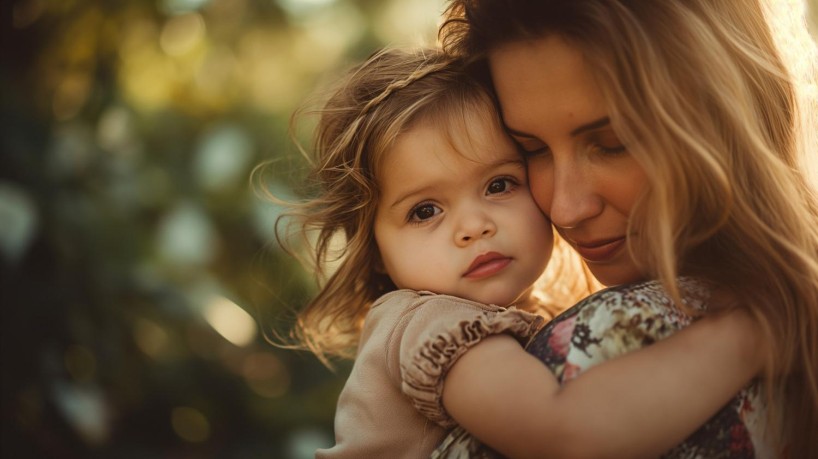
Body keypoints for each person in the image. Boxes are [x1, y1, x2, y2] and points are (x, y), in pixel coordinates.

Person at [275, 46, 764, 459]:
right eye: (424, 211)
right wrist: (754, 335)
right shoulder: (428, 324)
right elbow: (570, 435)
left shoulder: (517, 315)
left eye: (498, 184)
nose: (473, 226)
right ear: (376, 250)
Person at [431, 0, 818, 457]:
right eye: (530, 148)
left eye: (613, 143)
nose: (566, 208)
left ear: (724, 120)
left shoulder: (605, 337)